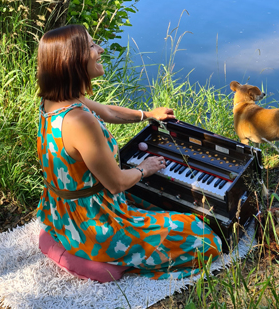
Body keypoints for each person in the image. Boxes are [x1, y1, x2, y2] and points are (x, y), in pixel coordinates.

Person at [36, 24, 222, 279]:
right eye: (92, 46)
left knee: (161, 204)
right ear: (73, 60)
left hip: (63, 213)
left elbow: (109, 112)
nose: (100, 50)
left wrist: (147, 114)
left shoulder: (56, 101)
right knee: (204, 238)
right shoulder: (80, 121)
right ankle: (121, 261)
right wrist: (144, 169)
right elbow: (117, 184)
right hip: (96, 225)